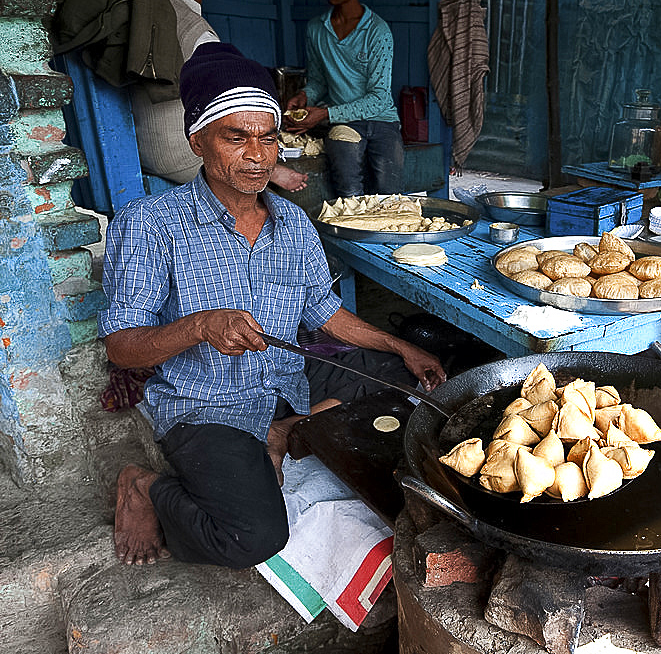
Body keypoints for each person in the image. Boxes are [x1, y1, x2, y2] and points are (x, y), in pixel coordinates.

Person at [101, 42, 446, 568]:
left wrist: (400, 346)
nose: (258, 155)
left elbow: (323, 313)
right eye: (235, 137)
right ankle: (145, 488)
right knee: (252, 537)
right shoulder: (150, 224)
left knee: (417, 391)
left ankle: (285, 431)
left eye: (268, 138)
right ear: (197, 141)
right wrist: (199, 326)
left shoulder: (292, 223)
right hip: (206, 405)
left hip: (288, 381)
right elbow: (122, 349)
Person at [129, 0, 308, 192]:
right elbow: (231, 101)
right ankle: (274, 173)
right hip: (180, 157)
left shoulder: (147, 11)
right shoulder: (193, 27)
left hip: (141, 149)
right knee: (255, 178)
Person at [283, 0, 404, 198]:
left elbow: (380, 98)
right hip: (344, 123)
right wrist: (305, 95)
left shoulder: (377, 31)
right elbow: (318, 81)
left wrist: (325, 114)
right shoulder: (316, 29)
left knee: (389, 196)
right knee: (348, 193)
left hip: (382, 120)